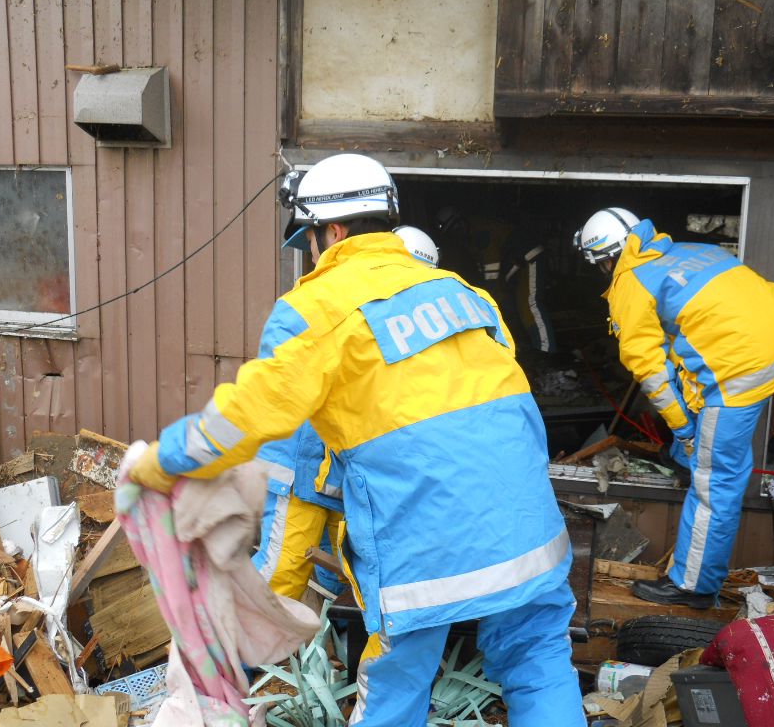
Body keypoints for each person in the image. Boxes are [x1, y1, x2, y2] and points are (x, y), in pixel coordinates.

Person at [127, 154, 584, 727]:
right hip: (529, 528)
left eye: (310, 239)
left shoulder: (318, 307)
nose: (311, 253)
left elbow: (248, 415)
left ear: (332, 231)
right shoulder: (463, 292)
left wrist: (161, 463)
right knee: (539, 662)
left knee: (397, 681)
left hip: (427, 542)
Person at [574, 207, 774, 608]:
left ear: (605, 259)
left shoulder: (630, 285)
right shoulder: (688, 250)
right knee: (704, 430)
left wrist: (683, 430)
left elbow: (651, 372)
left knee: (715, 481)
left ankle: (692, 586)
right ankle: (694, 455)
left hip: (739, 370)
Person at [253, 225, 442, 602]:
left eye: (310, 243)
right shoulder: (330, 302)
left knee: (343, 573)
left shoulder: (400, 315)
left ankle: (324, 647)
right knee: (281, 572)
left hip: (347, 474)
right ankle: (231, 660)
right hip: (305, 467)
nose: (311, 255)